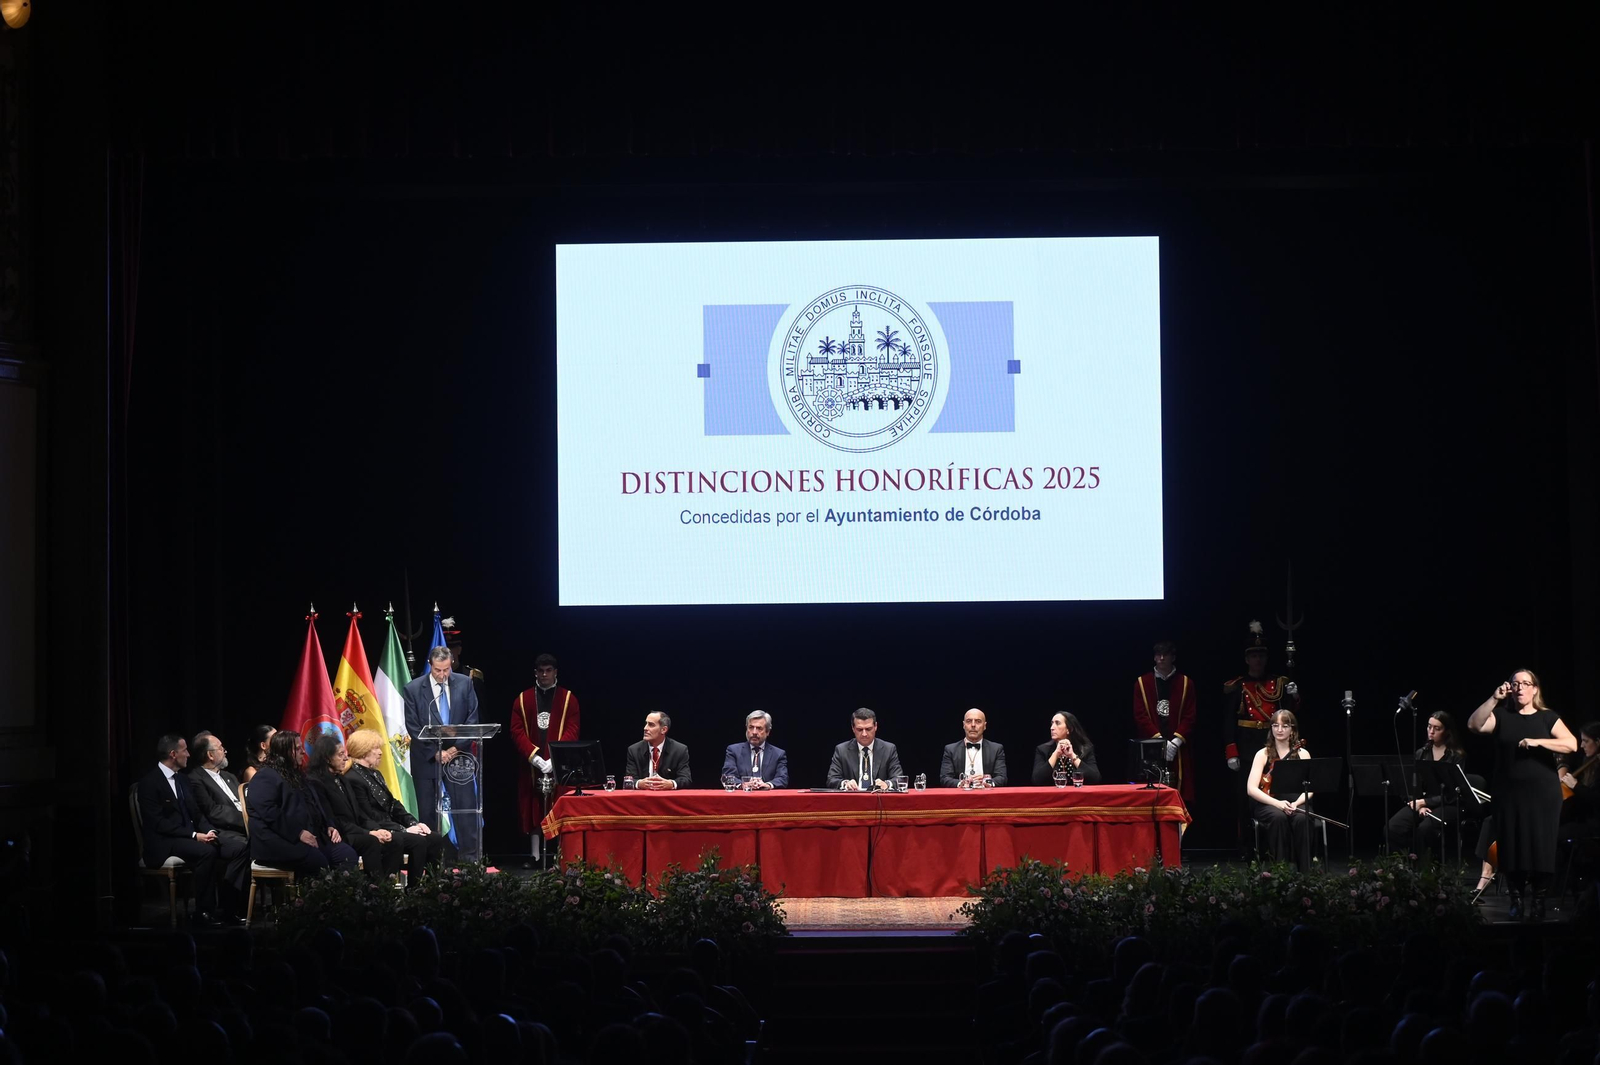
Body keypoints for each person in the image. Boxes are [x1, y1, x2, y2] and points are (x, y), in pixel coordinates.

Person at [1468, 670, 1577, 919]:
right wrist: (1494, 699)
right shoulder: (1501, 716)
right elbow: (1474, 725)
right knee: (1511, 846)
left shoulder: (1547, 717)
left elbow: (1571, 744)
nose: (1520, 688)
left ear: (1535, 689)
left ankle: (1538, 901)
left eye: (1525, 683)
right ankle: (1516, 901)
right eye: (1515, 684)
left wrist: (1539, 741)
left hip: (1543, 794)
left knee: (1541, 846)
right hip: (1508, 792)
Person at [135, 733, 235, 926]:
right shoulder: (150, 783)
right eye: (184, 750)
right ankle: (203, 911)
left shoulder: (182, 780)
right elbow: (159, 823)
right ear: (173, 754)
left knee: (219, 845)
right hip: (164, 841)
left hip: (185, 837)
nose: (188, 754)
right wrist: (194, 835)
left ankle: (224, 909)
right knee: (206, 852)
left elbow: (196, 814)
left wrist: (210, 831)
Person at [1223, 621, 1299, 854]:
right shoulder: (1238, 686)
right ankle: (1247, 846)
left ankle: (1275, 846)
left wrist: (1294, 697)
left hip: (1274, 743)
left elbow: (1288, 716)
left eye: (1261, 655)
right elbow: (1228, 720)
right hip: (1247, 746)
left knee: (1277, 791)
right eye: (1254, 656)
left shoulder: (1278, 683)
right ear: (1247, 659)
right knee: (1245, 797)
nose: (1258, 660)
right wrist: (1231, 751)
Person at [402, 645, 482, 860]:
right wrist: (436, 752)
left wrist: (455, 748)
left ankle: (470, 861)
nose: (442, 675)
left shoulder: (465, 683)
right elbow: (413, 726)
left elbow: (472, 719)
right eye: (438, 670)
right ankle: (431, 862)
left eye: (446, 669)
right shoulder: (413, 689)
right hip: (427, 758)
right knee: (428, 811)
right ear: (430, 665)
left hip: (459, 756)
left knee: (465, 808)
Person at [245, 730, 359, 877]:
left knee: (346, 855)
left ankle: (341, 892)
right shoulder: (265, 776)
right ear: (285, 751)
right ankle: (316, 892)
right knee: (317, 861)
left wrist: (329, 825)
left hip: (310, 836)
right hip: (278, 840)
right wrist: (298, 833)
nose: (303, 752)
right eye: (298, 748)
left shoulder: (296, 774)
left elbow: (315, 803)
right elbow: (269, 813)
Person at [342, 728, 445, 888]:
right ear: (363, 751)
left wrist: (413, 823)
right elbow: (368, 815)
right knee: (417, 841)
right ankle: (413, 889)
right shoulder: (352, 778)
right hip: (375, 829)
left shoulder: (375, 774)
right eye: (375, 748)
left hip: (391, 826)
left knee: (435, 838)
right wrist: (403, 829)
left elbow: (393, 805)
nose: (380, 752)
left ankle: (431, 887)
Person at [306, 732, 404, 883]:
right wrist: (369, 833)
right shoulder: (317, 783)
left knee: (394, 841)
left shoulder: (342, 780)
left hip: (355, 830)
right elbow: (334, 820)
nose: (346, 758)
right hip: (341, 834)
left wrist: (377, 829)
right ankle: (374, 888)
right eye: (340, 755)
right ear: (327, 758)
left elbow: (360, 814)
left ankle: (387, 887)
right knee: (370, 842)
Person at [510, 653, 581, 845]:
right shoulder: (523, 699)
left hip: (559, 765)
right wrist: (534, 757)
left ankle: (559, 854)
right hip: (531, 765)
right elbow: (516, 731)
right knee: (532, 807)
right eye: (541, 671)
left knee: (559, 807)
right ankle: (534, 855)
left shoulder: (568, 699)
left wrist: (554, 758)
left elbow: (572, 730)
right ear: (535, 673)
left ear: (555, 672)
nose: (544, 675)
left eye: (548, 670)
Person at [185, 730, 251, 915]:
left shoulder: (230, 777)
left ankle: (248, 906)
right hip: (220, 830)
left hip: (243, 827)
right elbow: (212, 811)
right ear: (210, 755)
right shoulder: (195, 779)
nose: (225, 751)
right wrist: (246, 820)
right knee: (244, 846)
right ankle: (230, 905)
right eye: (221, 748)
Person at [1385, 711, 1466, 860]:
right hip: (1423, 802)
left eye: (1437, 728)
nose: (1431, 731)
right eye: (1429, 727)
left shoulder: (1456, 756)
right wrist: (1420, 805)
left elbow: (1453, 793)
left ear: (1447, 731)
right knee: (1393, 827)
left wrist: (1425, 802)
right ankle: (1405, 864)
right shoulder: (1421, 754)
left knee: (1425, 829)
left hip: (1448, 804)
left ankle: (1427, 868)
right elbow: (1414, 785)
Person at [1247, 709, 1313, 872]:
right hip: (1269, 804)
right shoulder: (1262, 754)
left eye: (1284, 726)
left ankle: (1306, 873)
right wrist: (1278, 804)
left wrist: (1295, 803)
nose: (1279, 729)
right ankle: (1280, 872)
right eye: (1275, 725)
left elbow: (1311, 788)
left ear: (1293, 729)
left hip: (1296, 802)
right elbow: (1251, 789)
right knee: (1278, 818)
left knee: (1303, 819)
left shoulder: (1303, 754)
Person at [1132, 640, 1196, 801]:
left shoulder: (1186, 683)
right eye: (1158, 655)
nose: (1161, 658)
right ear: (1154, 657)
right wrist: (1159, 741)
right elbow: (1140, 716)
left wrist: (1175, 742)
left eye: (1165, 655)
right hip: (1150, 745)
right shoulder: (1142, 683)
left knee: (1181, 790)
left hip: (1178, 747)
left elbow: (1190, 715)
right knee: (1150, 790)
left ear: (1173, 657)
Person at [826, 708, 904, 791]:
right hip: (852, 798)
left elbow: (899, 778)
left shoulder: (889, 749)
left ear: (875, 726)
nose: (864, 734)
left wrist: (887, 784)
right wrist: (845, 783)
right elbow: (831, 780)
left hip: (878, 797)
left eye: (868, 729)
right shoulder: (842, 750)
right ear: (853, 728)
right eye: (859, 729)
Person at [939, 708, 1009, 788]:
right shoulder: (950, 749)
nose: (973, 725)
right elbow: (945, 778)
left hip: (986, 794)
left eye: (978, 721)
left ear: (984, 726)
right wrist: (962, 783)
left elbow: (1002, 778)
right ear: (964, 725)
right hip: (961, 794)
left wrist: (987, 782)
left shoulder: (996, 749)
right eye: (969, 721)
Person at [624, 712, 692, 790]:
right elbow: (629, 780)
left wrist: (671, 784)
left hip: (667, 796)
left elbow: (686, 779)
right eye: (646, 724)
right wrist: (639, 783)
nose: (645, 728)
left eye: (651, 725)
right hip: (643, 795)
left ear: (663, 730)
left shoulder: (679, 750)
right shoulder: (634, 750)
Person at [720, 711, 788, 790]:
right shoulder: (733, 751)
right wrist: (742, 785)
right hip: (742, 796)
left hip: (767, 796)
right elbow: (728, 776)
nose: (754, 732)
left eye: (759, 728)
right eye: (751, 727)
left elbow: (783, 778)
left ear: (768, 732)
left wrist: (768, 785)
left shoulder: (778, 754)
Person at [1031, 712, 1102, 785]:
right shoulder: (1042, 750)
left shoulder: (1085, 749)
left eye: (1057, 723)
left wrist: (1072, 755)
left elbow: (1095, 778)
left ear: (1069, 729)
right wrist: (1055, 754)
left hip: (1078, 792)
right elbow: (1037, 780)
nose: (1052, 728)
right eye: (1052, 723)